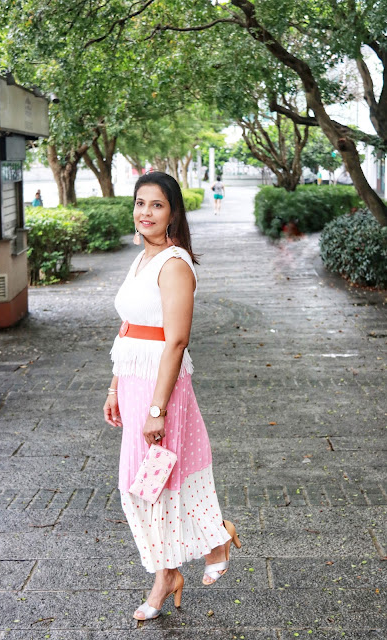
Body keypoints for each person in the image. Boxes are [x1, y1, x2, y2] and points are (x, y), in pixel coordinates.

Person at [104, 171, 241, 621]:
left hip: (161, 387)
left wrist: (157, 408)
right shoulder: (142, 258)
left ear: (173, 213)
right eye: (140, 203)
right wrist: (114, 387)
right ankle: (177, 566)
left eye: (156, 204)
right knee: (142, 487)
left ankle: (205, 547)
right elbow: (128, 329)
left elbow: (176, 340)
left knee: (155, 482)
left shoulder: (174, 263)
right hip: (134, 380)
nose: (145, 212)